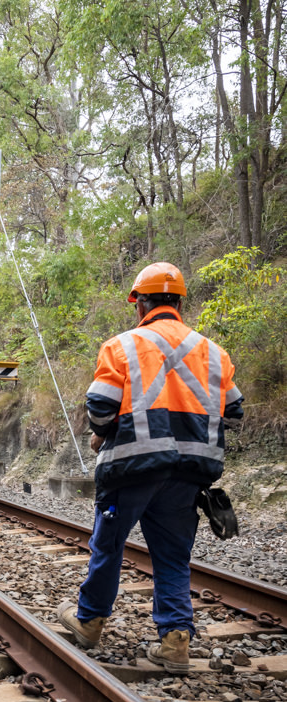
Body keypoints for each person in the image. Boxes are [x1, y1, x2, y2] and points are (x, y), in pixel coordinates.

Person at [57, 262, 243, 672]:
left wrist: (102, 433)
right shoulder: (213, 352)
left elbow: (101, 407)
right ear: (179, 302)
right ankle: (176, 641)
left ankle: (88, 622)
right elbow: (233, 411)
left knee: (108, 546)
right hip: (189, 472)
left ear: (140, 304)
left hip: (132, 468)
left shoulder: (121, 346)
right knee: (174, 557)